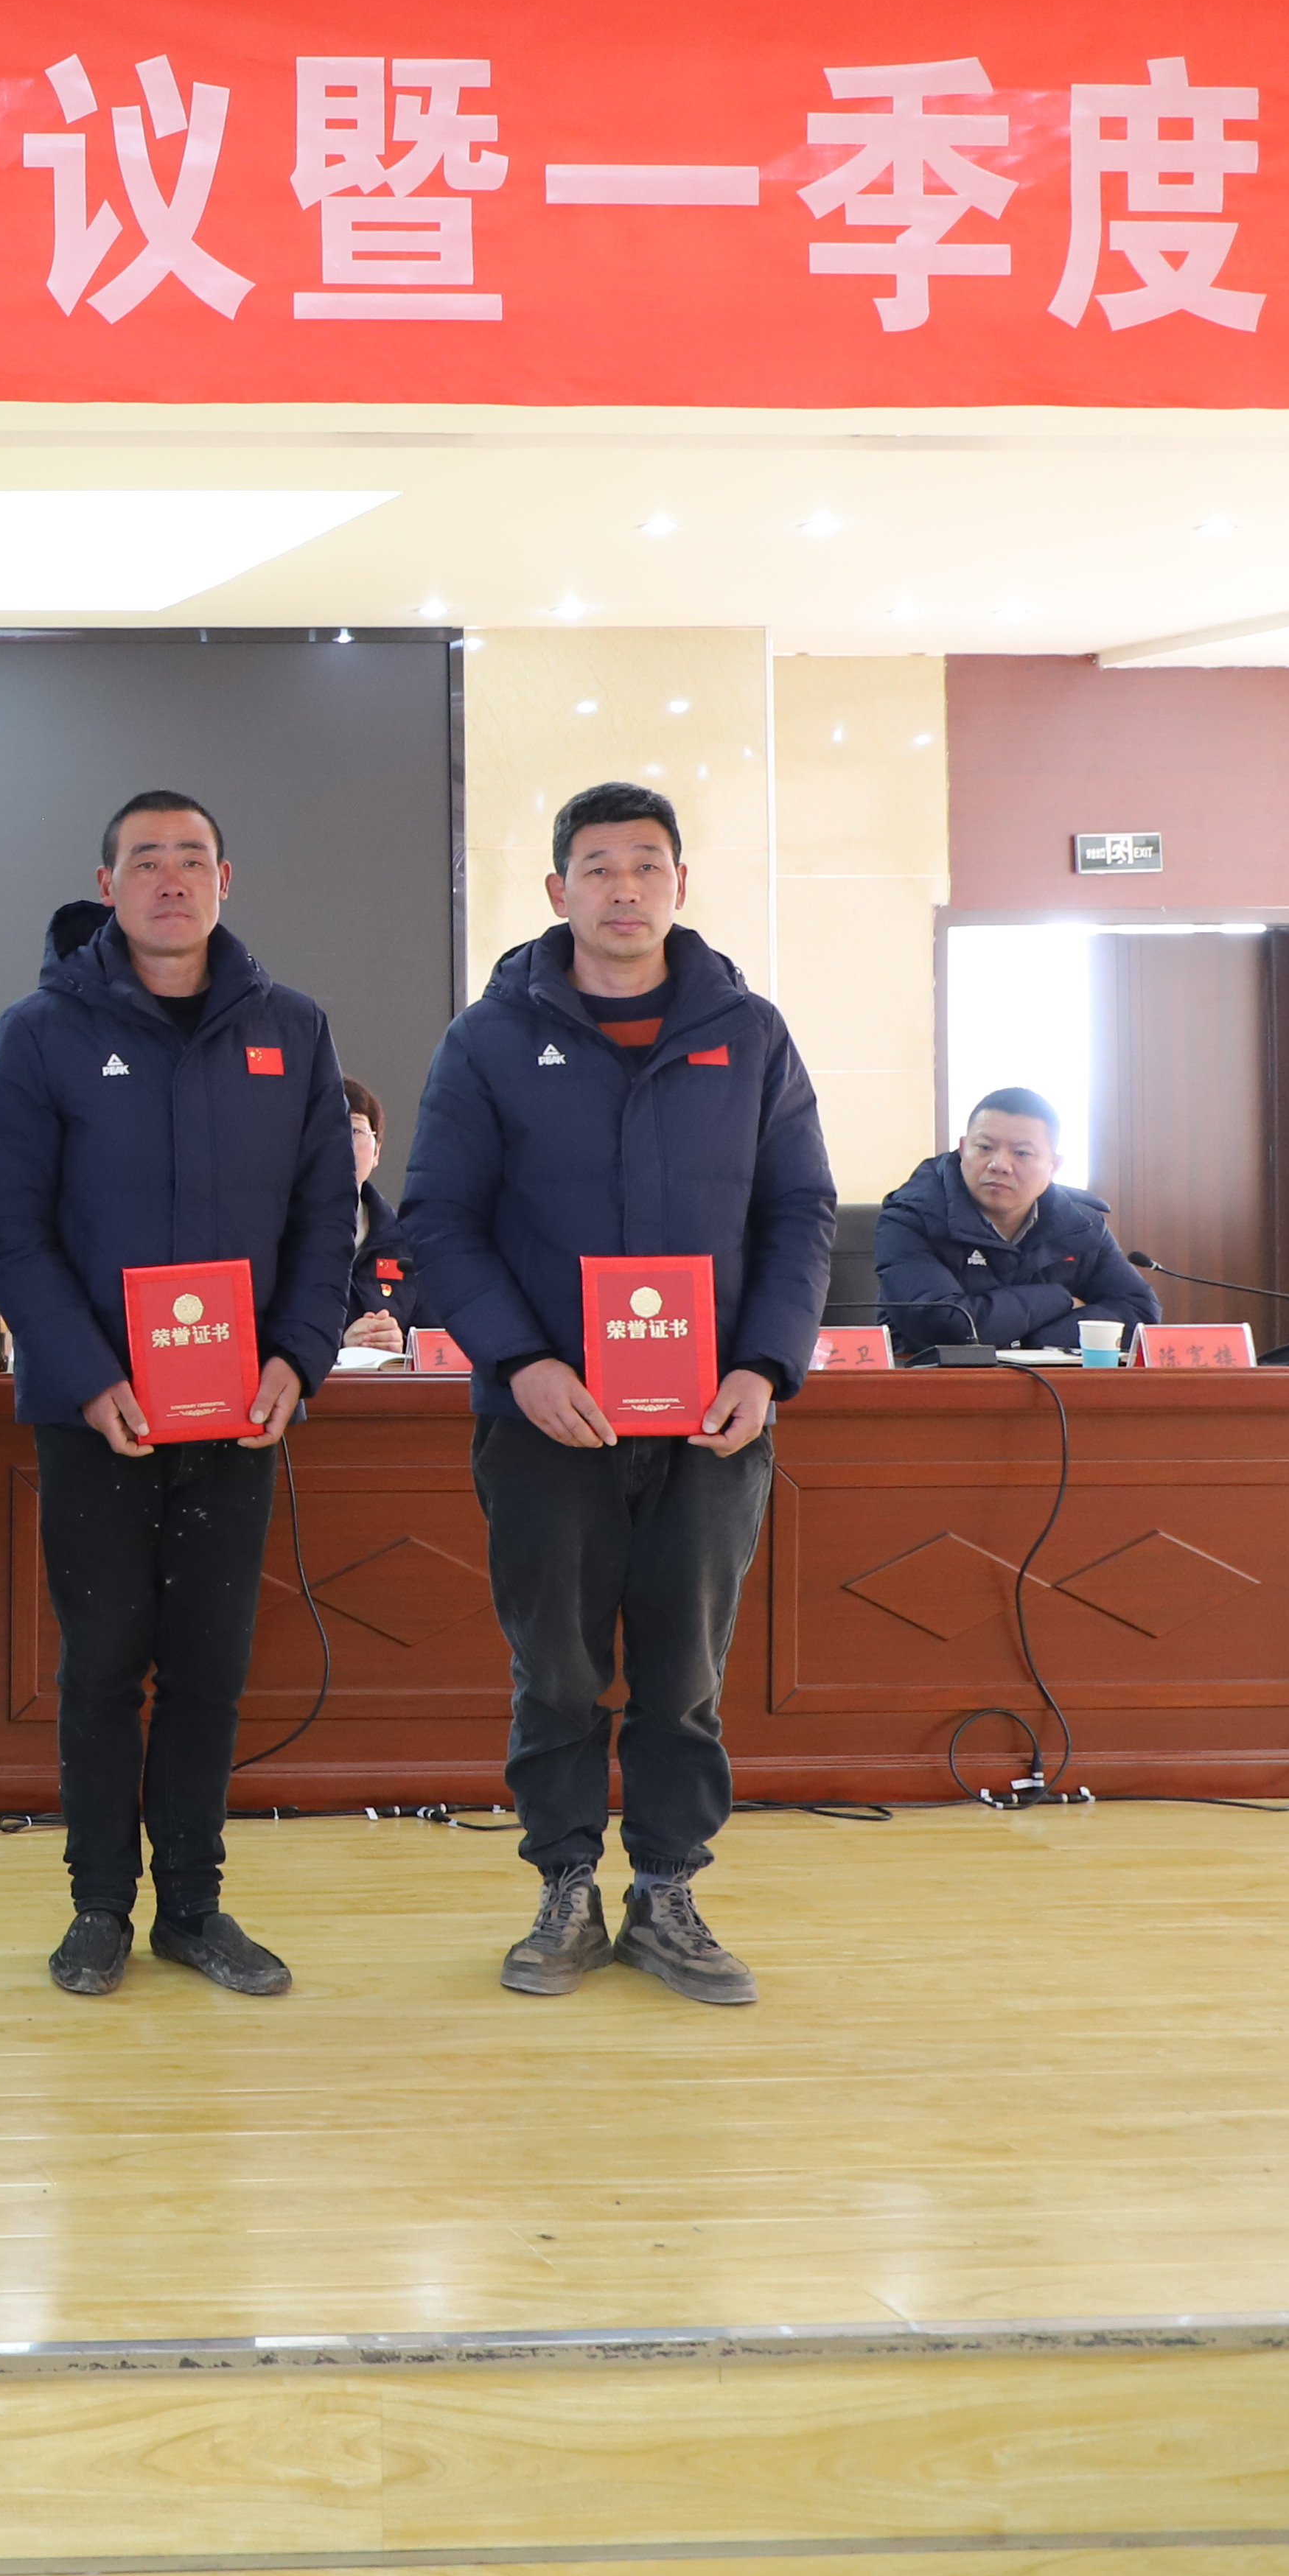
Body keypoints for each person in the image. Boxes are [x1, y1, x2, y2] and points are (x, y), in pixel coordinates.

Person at [399, 780, 836, 2009]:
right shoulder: (489, 1040)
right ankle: (564, 1888)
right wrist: (520, 1362)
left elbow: (801, 1209)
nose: (625, 888)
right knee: (557, 1672)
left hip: (710, 1426)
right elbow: (440, 1219)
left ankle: (668, 1892)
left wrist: (765, 1365)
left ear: (681, 886)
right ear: (559, 891)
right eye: (598, 867)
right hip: (548, 1423)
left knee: (685, 1677)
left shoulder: (749, 1035)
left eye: (648, 865)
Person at [0, 792, 352, 2001]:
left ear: (227, 879)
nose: (172, 879)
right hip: (98, 1414)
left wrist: (299, 1354)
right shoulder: (41, 1032)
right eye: (147, 861)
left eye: (193, 859)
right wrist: (88, 1376)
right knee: (102, 1664)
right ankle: (99, 1907)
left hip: (240, 1411)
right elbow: (9, 1227)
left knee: (209, 1666)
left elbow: (324, 1219)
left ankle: (193, 1905)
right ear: (109, 885)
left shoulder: (291, 1028)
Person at [873, 1088, 1160, 1357]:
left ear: (1054, 1165)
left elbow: (1139, 1315)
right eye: (984, 1147)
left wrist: (1027, 1341)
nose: (999, 1164)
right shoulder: (910, 1217)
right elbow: (946, 1326)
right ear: (962, 1149)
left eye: (1021, 1153)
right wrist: (1060, 1300)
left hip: (1055, 1385)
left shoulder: (1081, 1223)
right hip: (932, 1382)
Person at [340, 1078, 407, 1353]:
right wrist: (338, 1349)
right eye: (329, 1128)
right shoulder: (274, 1236)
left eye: (355, 1130)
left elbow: (440, 1348)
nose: (343, 1142)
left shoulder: (408, 1243)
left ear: (377, 1151)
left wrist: (403, 1349)